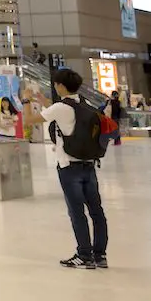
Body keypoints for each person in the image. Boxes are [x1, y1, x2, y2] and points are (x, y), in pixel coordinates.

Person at [42, 68, 109, 270]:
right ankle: (100, 255)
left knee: (76, 212)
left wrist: (28, 100)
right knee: (96, 211)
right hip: (89, 164)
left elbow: (29, 119)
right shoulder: (85, 104)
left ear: (61, 86)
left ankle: (83, 255)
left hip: (68, 166)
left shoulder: (60, 108)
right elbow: (57, 113)